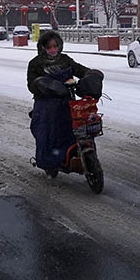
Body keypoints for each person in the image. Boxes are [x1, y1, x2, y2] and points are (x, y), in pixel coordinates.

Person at [27, 30, 96, 178]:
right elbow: (31, 85)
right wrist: (41, 84)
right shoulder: (36, 63)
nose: (53, 49)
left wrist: (91, 74)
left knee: (75, 127)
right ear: (43, 47)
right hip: (46, 104)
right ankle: (50, 161)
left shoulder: (65, 60)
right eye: (49, 46)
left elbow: (78, 69)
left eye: (55, 46)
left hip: (66, 101)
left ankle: (74, 155)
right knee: (49, 133)